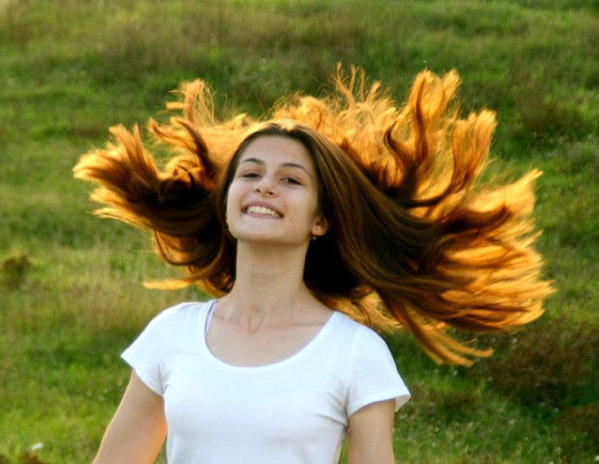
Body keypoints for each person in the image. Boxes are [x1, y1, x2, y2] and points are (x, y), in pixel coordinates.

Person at [73, 66, 552, 463]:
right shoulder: (171, 334)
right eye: (252, 173)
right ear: (226, 202)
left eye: (290, 180)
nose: (265, 187)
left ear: (320, 220)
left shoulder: (355, 355)